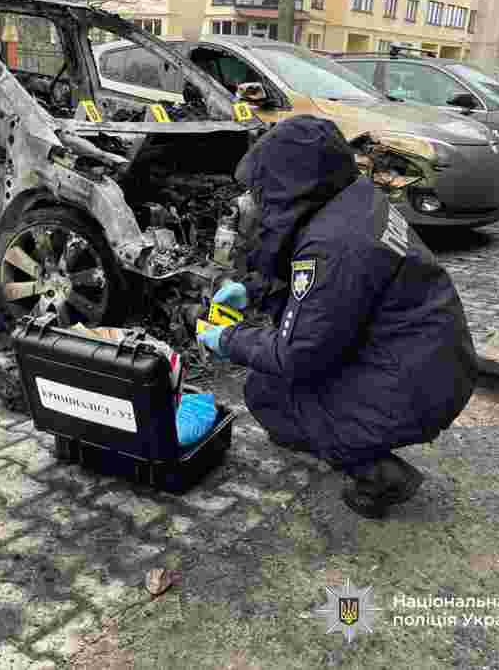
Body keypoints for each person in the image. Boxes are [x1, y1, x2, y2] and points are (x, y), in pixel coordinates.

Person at [198, 116, 478, 519]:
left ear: (291, 183)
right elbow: (332, 301)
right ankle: (336, 432)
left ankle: (378, 473)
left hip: (413, 385)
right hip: (430, 359)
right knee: (272, 386)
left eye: (264, 190)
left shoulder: (332, 247)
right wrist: (255, 291)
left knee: (269, 393)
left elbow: (298, 354)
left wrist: (227, 339)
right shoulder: (354, 200)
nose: (257, 200)